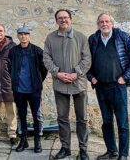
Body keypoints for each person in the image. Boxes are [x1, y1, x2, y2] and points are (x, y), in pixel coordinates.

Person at [43, 9, 92, 160]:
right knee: (62, 118)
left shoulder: (81, 37)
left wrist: (76, 73)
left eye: (65, 17)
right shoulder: (50, 38)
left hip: (79, 84)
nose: (63, 20)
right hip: (60, 84)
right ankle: (65, 148)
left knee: (82, 119)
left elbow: (87, 59)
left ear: (71, 19)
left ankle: (83, 150)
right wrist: (57, 73)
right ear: (56, 20)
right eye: (60, 18)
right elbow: (46, 58)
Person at [87, 13, 130, 160]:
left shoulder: (123, 37)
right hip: (101, 87)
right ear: (98, 24)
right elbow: (86, 60)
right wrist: (91, 77)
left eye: (107, 21)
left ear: (112, 23)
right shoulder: (93, 39)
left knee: (122, 123)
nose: (104, 24)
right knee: (107, 122)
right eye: (101, 22)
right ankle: (111, 151)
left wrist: (124, 77)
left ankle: (123, 154)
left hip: (118, 86)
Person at [8, 26, 48, 153]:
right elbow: (9, 68)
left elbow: (44, 69)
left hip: (34, 90)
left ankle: (37, 141)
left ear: (29, 36)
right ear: (18, 36)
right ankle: (23, 141)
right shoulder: (13, 51)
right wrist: (15, 80)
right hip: (19, 90)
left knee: (36, 116)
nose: (23, 36)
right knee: (22, 115)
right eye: (21, 34)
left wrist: (37, 81)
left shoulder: (37, 51)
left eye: (26, 34)